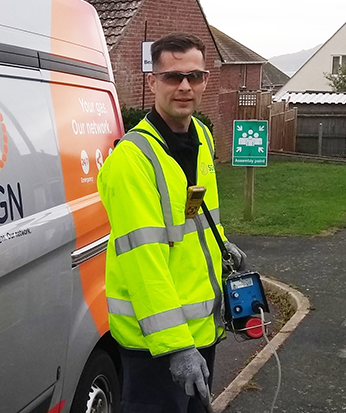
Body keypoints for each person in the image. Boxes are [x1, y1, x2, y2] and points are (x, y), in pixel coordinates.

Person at [97, 32, 246, 413]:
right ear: (152, 82)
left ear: (205, 81)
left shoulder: (202, 136)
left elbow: (196, 218)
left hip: (200, 335)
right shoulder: (133, 160)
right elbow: (142, 259)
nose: (184, 86)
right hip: (156, 345)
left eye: (194, 77)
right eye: (172, 77)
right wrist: (176, 347)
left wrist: (222, 246)